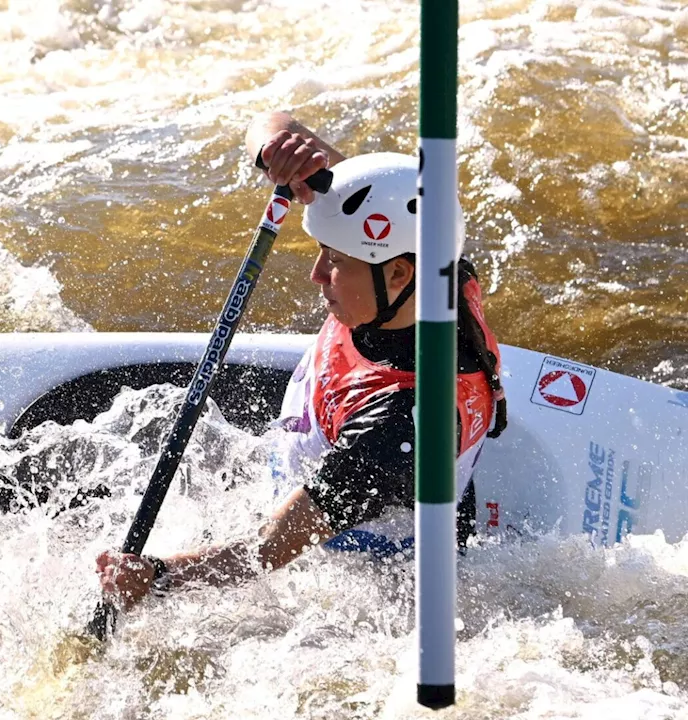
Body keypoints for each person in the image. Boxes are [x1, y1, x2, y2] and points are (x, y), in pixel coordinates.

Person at [96, 112, 508, 610]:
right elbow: (275, 121)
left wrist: (157, 578)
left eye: (335, 261)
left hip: (367, 572)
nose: (316, 275)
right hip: (334, 450)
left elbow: (266, 548)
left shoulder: (404, 427)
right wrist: (278, 151)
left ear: (398, 274)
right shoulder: (431, 261)